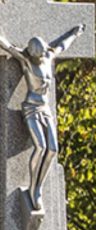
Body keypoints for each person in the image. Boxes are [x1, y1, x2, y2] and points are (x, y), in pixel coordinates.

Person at [0, 25, 85, 211]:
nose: (39, 57)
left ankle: (38, 186)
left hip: (45, 109)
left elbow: (62, 45)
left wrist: (74, 33)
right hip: (31, 108)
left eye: (41, 54)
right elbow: (8, 46)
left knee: (52, 149)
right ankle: (33, 188)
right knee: (40, 147)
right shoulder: (26, 61)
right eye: (36, 55)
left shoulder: (48, 57)